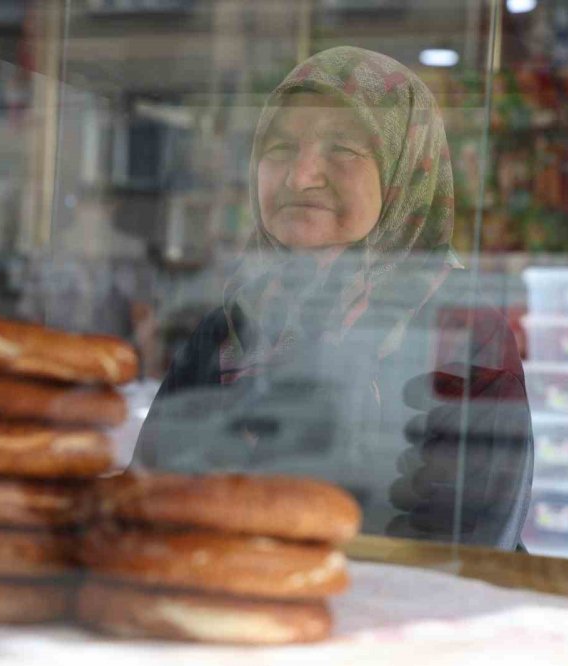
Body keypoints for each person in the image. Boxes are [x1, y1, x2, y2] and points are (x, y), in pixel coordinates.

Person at [134, 47, 533, 551]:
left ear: (405, 171)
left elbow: (470, 546)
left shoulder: (461, 328)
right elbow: (152, 500)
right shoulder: (235, 323)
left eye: (343, 149)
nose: (300, 176)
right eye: (278, 149)